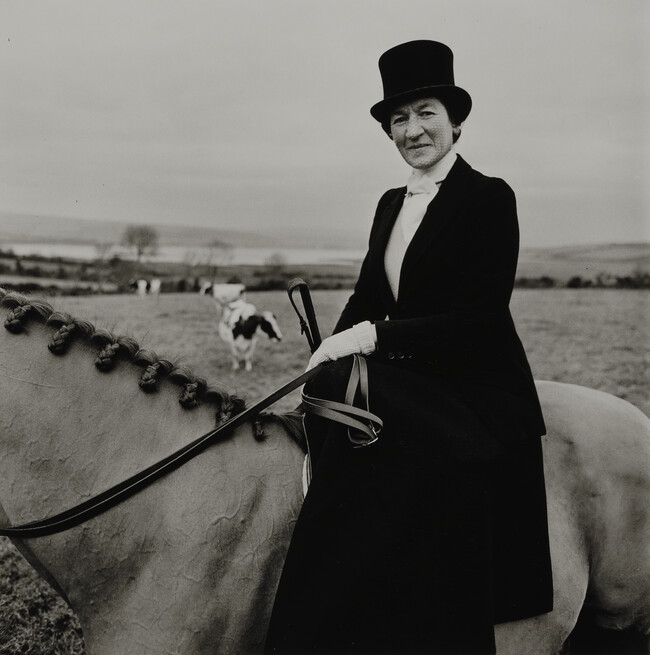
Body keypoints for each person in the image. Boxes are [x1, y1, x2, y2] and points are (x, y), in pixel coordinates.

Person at [265, 40, 553, 654]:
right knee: (326, 396)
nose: (412, 130)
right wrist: (329, 351)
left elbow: (478, 318)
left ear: (455, 121)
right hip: (409, 371)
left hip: (477, 380)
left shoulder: (489, 197)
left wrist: (373, 337)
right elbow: (369, 297)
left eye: (425, 113)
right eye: (399, 119)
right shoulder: (390, 204)